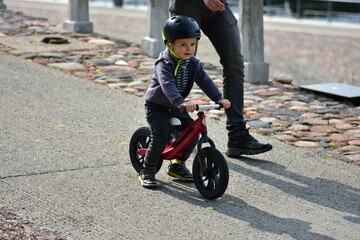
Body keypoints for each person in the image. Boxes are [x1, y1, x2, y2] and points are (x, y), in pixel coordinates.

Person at [169, 0, 273, 158]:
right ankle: (173, 128)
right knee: (182, 63)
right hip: (187, 4)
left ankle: (237, 135)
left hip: (219, 6)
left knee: (235, 64)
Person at [140, 15, 231, 188]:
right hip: (158, 106)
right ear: (169, 44)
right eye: (183, 45)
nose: (189, 49)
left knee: (191, 134)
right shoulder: (163, 63)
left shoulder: (192, 63)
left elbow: (204, 80)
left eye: (192, 44)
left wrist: (218, 98)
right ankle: (148, 169)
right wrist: (180, 101)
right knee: (159, 137)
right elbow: (167, 85)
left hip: (177, 106)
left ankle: (177, 165)